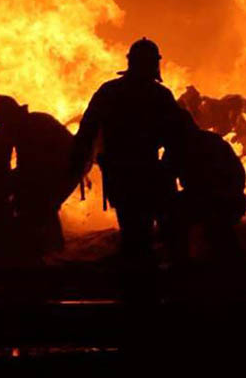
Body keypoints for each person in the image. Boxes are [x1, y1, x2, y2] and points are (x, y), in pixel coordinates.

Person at [70, 38, 185, 296]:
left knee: (135, 234)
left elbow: (86, 133)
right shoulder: (159, 95)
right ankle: (161, 297)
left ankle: (137, 296)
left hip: (122, 175)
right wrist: (171, 171)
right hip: (149, 173)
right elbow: (178, 138)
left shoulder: (109, 92)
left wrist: (78, 163)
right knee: (166, 234)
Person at [0, 95, 77, 258]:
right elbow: (0, 161)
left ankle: (50, 247)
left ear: (8, 115)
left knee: (39, 201)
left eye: (1, 120)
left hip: (66, 168)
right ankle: (47, 244)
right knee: (33, 200)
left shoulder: (33, 128)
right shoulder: (18, 127)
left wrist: (9, 187)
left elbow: (31, 171)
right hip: (53, 169)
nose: (1, 125)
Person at [162, 110, 246, 266]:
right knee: (221, 234)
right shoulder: (214, 140)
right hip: (229, 200)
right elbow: (239, 174)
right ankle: (234, 267)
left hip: (213, 201)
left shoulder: (177, 148)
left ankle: (181, 265)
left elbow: (166, 181)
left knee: (172, 218)